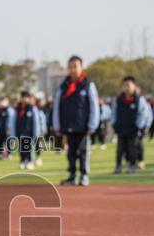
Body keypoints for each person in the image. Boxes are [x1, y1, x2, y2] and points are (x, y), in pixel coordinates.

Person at [52, 55, 100, 186]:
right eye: (70, 67)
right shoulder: (63, 87)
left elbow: (94, 106)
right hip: (68, 124)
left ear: (81, 67)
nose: (73, 69)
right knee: (71, 152)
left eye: (75, 66)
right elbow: (57, 107)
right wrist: (57, 125)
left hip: (83, 126)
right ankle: (72, 175)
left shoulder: (88, 85)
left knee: (83, 151)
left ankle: (84, 175)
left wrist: (92, 124)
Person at [112, 76, 152, 174]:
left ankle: (132, 166)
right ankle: (118, 166)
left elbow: (143, 113)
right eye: (124, 85)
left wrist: (139, 125)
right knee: (120, 149)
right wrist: (114, 124)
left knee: (132, 148)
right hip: (121, 128)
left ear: (134, 86)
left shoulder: (139, 99)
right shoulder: (118, 100)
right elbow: (113, 113)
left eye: (129, 85)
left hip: (133, 129)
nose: (126, 87)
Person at [14, 91, 44, 170]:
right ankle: (23, 161)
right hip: (20, 131)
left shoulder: (32, 108)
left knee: (29, 148)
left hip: (29, 132)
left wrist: (36, 133)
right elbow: (15, 121)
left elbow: (36, 121)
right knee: (21, 148)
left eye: (26, 97)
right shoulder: (18, 108)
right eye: (23, 97)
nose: (24, 99)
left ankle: (30, 161)